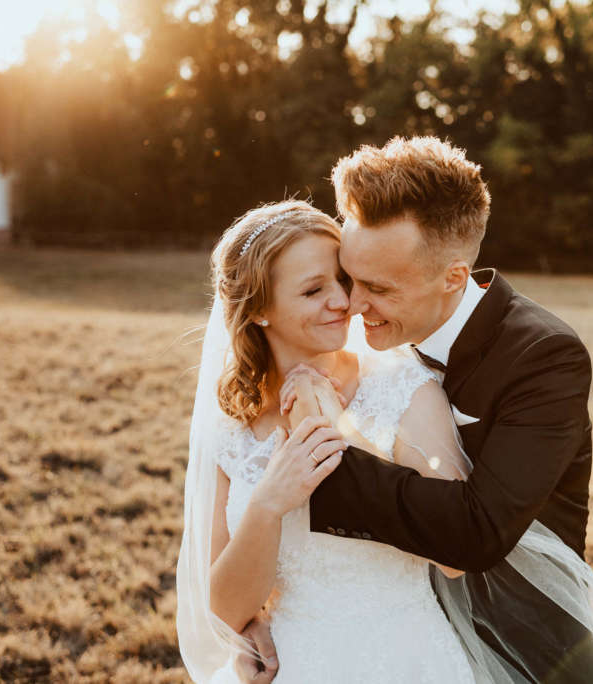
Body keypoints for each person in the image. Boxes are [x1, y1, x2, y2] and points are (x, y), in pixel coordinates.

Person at [245, 137, 593, 683]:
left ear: (454, 277)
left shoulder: (543, 356)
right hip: (381, 638)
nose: (351, 305)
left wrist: (318, 451)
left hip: (523, 640)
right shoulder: (363, 333)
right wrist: (256, 615)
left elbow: (476, 534)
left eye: (376, 287)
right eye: (349, 277)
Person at [176, 199, 481, 683]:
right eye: (314, 290)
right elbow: (225, 611)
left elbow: (456, 556)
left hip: (407, 661)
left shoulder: (402, 387)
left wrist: (342, 434)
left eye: (343, 279)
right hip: (293, 665)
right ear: (258, 310)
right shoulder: (234, 425)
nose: (344, 301)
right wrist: (269, 505)